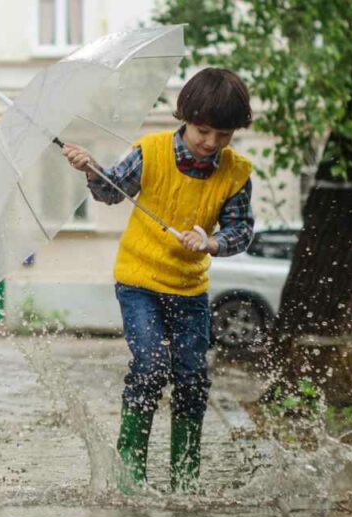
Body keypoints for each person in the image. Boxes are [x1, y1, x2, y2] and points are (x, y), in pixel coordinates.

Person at [62, 68, 255, 493]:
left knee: (191, 377)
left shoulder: (236, 173)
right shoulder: (150, 153)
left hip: (190, 289)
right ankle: (130, 477)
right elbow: (110, 192)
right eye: (203, 130)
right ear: (185, 117)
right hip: (139, 282)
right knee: (150, 367)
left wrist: (214, 242)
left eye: (223, 135)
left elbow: (241, 231)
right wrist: (91, 168)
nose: (211, 143)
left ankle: (185, 480)